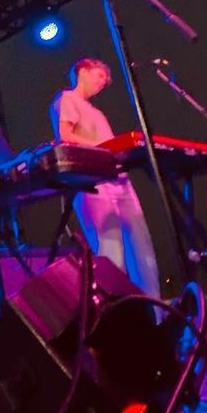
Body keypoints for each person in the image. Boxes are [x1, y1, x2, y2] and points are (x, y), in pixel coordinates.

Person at [50, 58, 161, 299]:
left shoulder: (98, 113)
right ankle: (116, 309)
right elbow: (65, 135)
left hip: (118, 178)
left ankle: (155, 309)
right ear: (83, 71)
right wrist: (102, 148)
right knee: (110, 248)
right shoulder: (67, 99)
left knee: (142, 249)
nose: (104, 83)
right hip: (92, 180)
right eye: (100, 76)